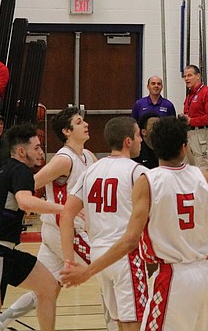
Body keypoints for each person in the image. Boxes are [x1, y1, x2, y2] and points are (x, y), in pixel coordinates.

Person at [61, 116, 208, 331]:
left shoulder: (147, 181)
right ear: (185, 147)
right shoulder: (204, 177)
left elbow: (129, 241)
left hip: (171, 275)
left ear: (152, 146)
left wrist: (87, 271)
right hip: (204, 274)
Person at [0, 106, 100, 330]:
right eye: (80, 122)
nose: (86, 124)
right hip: (66, 230)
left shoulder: (88, 156)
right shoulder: (64, 159)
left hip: (60, 232)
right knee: (109, 269)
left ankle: (1, 322)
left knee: (48, 287)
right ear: (67, 131)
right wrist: (27, 205)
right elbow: (31, 184)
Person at [60, 117, 149, 330]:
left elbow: (66, 215)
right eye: (138, 136)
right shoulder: (137, 171)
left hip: (98, 253)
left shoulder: (92, 169)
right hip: (125, 254)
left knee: (120, 320)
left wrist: (68, 261)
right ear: (128, 141)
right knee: (136, 320)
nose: (141, 141)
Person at [0, 124, 63, 331]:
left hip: (7, 250)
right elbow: (25, 202)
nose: (40, 152)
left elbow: (17, 204)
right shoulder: (20, 170)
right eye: (36, 148)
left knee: (48, 286)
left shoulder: (8, 169)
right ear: (21, 151)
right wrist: (64, 209)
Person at [182, 65, 208, 179]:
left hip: (201, 134)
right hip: (189, 134)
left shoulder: (207, 93)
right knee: (187, 168)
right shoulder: (190, 94)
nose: (186, 79)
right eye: (185, 76)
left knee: (203, 168)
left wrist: (191, 121)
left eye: (189, 75)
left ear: (198, 76)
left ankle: (207, 195)